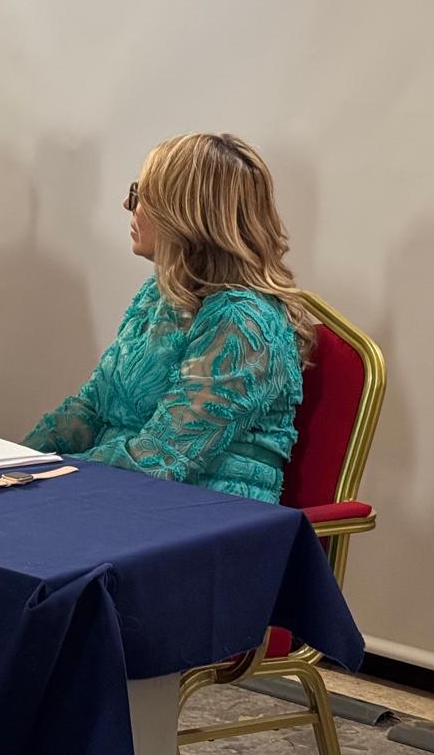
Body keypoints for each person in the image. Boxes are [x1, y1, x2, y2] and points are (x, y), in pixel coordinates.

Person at [23, 133, 312, 503]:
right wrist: (12, 461)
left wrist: (40, 479)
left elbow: (160, 458)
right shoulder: (160, 294)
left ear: (186, 215)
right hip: (121, 493)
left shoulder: (243, 321)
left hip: (203, 516)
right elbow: (91, 406)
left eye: (141, 196)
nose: (128, 204)